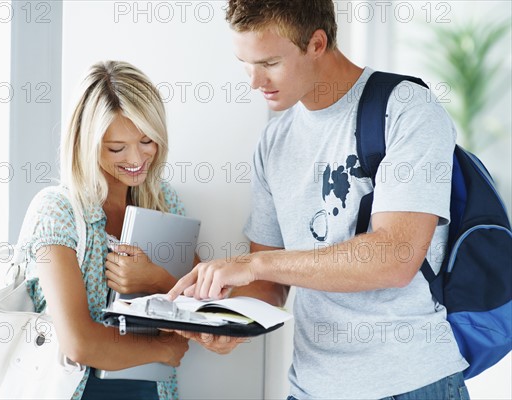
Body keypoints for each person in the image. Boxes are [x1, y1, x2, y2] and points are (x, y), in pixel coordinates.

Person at [168, 1, 471, 399]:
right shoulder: (274, 142)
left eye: (270, 62)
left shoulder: (406, 109)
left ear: (316, 43)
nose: (255, 81)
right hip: (310, 388)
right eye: (246, 62)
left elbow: (396, 258)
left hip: (409, 384)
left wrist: (253, 264)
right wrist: (228, 322)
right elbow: (269, 285)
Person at [22, 60, 189, 400]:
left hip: (152, 391)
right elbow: (79, 342)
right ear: (85, 143)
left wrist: (156, 279)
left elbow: (199, 309)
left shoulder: (163, 201)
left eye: (147, 141)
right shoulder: (57, 211)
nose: (137, 158)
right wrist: (162, 350)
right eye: (116, 148)